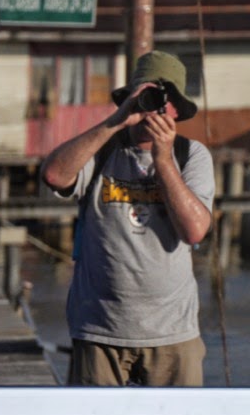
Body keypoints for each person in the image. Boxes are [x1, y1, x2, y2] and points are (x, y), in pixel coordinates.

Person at [41, 50, 215, 387]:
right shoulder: (103, 148)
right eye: (145, 98)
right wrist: (116, 121)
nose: (153, 109)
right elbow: (54, 176)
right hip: (98, 328)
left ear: (176, 109)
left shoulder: (191, 154)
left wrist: (163, 160)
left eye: (163, 99)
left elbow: (194, 231)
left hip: (172, 331)